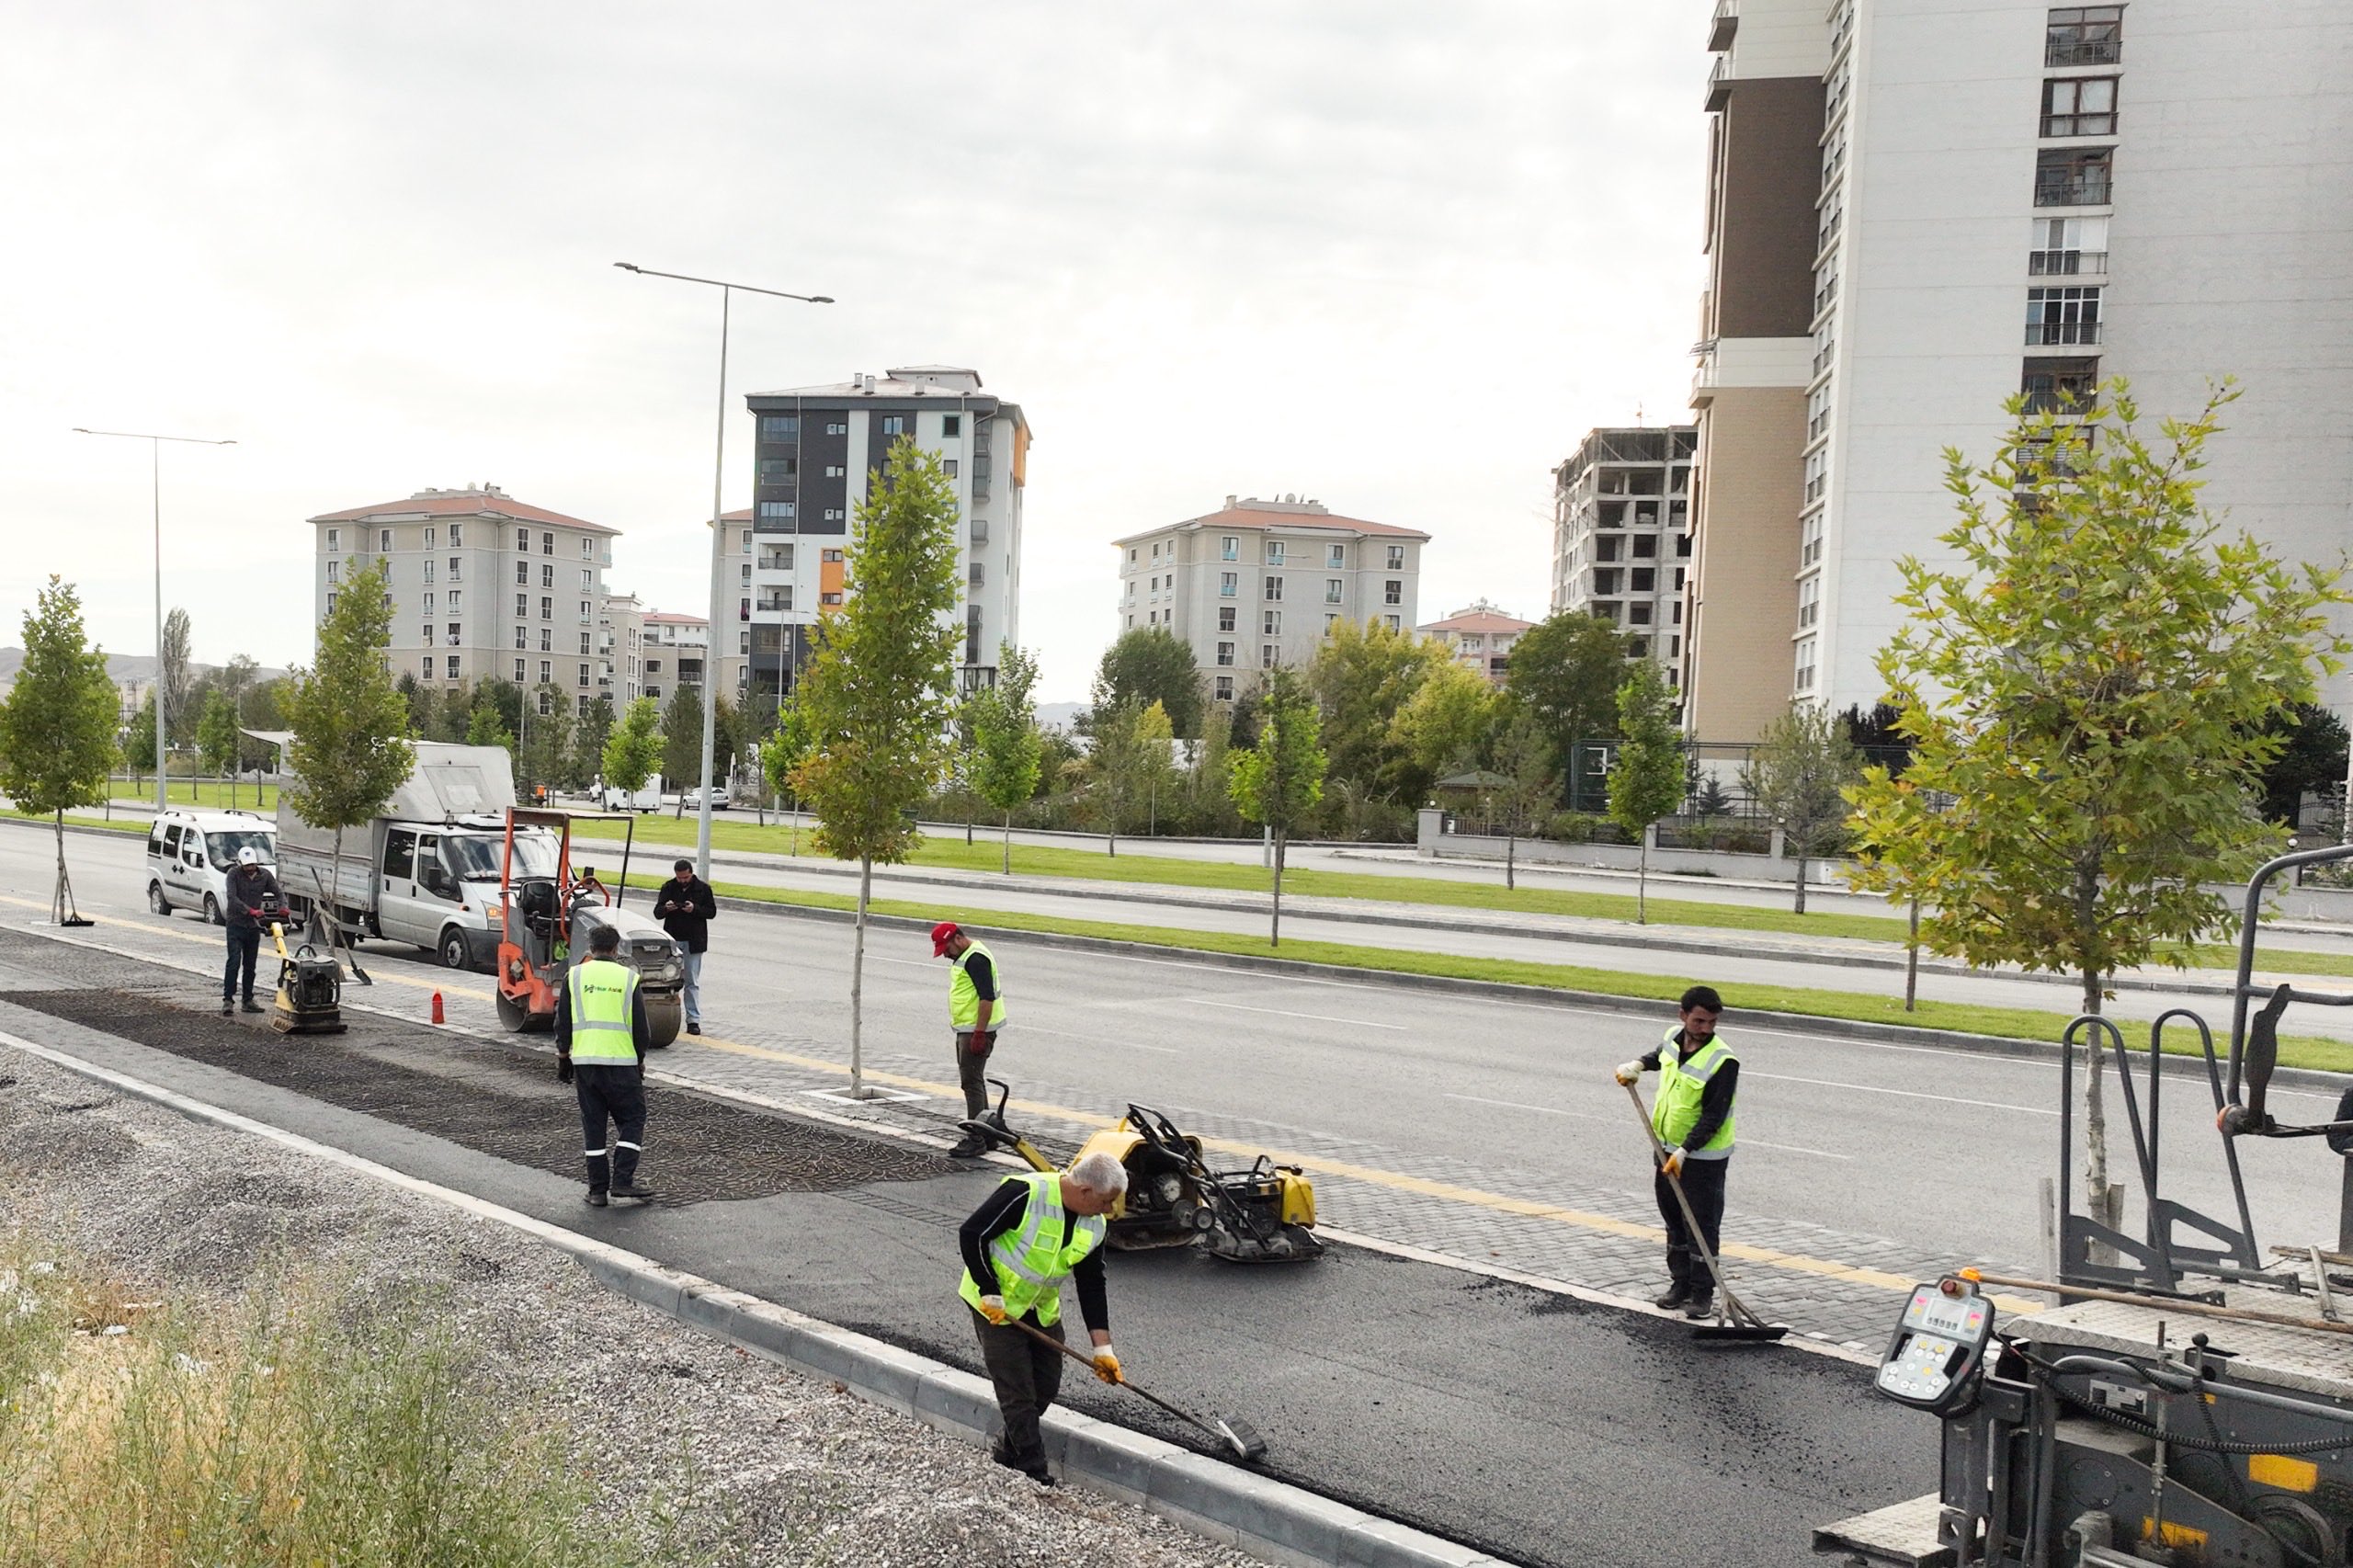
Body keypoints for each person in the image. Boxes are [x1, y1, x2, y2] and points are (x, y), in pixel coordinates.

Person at [958, 1152, 1128, 1484]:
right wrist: (988, 1288)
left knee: (1045, 1387)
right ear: (1085, 1192)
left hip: (1041, 1308)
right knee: (1017, 1391)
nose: (1109, 1210)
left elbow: (1092, 1283)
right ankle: (1033, 1472)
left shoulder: (1095, 1223)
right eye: (1106, 1201)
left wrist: (1102, 1350)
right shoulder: (1025, 1193)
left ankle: (1008, 1451)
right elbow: (973, 1233)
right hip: (995, 1307)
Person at [1615, 984, 1740, 1320]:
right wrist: (1638, 1065)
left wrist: (1685, 1151)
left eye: (1712, 1022)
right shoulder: (1674, 1036)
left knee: (1701, 1224)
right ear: (1683, 1015)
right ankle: (1680, 1285)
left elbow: (1714, 1115)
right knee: (1674, 1219)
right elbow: (1661, 1055)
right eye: (1699, 1021)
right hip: (1665, 1148)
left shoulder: (1723, 1061)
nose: (1705, 1029)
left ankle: (1702, 1295)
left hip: (1702, 1159)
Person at [555, 923, 656, 1207]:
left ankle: (597, 1191)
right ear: (615, 949)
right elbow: (641, 1030)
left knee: (594, 1125)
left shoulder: (573, 977)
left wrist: (563, 1058)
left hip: (586, 1064)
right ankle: (623, 1181)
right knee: (633, 1119)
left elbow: (562, 1023)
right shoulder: (628, 979)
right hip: (622, 1064)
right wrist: (640, 1060)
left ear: (590, 947)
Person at [933, 922, 1004, 1159]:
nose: (945, 953)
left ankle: (976, 1137)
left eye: (946, 948)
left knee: (971, 1082)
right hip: (970, 1029)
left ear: (958, 939)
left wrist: (979, 1033)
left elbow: (987, 999)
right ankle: (987, 1132)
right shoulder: (968, 955)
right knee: (975, 1080)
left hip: (976, 1030)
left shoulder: (976, 959)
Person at [653, 858, 716, 1036]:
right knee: (667, 980)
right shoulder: (668, 887)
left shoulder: (703, 888)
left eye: (685, 877)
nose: (682, 881)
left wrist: (694, 908)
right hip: (672, 939)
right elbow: (657, 913)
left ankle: (693, 1020)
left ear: (691, 873)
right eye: (679, 878)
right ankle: (665, 1018)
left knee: (691, 982)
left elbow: (711, 912)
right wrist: (667, 908)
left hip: (693, 940)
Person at [221, 846, 281, 1017]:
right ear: (240, 863)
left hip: (253, 928)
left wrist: (283, 906)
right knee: (234, 961)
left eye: (253, 865)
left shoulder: (265, 875)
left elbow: (278, 891)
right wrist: (250, 910)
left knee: (250, 965)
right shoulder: (233, 874)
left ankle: (248, 1000)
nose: (250, 868)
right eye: (247, 866)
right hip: (236, 924)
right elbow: (232, 897)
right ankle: (228, 999)